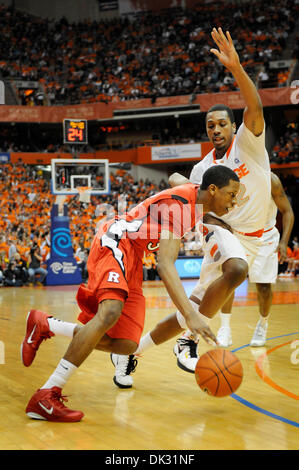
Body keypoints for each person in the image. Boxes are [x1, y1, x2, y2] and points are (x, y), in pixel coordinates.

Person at [105, 26, 272, 386]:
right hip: (224, 236)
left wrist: (236, 68)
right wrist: (181, 182)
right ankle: (189, 341)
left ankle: (129, 354)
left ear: (233, 126)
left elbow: (254, 106)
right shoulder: (204, 169)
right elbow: (178, 185)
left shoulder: (249, 144)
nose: (216, 129)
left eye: (222, 123)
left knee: (188, 313)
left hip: (258, 238)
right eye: (210, 125)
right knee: (238, 268)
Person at [22, 165, 241, 422]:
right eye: (231, 194)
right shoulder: (181, 207)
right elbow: (165, 265)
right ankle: (47, 393)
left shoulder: (196, 197)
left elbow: (173, 176)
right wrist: (190, 316)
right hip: (116, 241)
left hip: (134, 256)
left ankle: (46, 324)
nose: (234, 201)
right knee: (110, 312)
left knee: (127, 345)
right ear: (213, 190)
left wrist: (213, 216)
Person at [225, 172, 294, 347]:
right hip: (238, 235)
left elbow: (288, 212)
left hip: (265, 236)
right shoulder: (232, 175)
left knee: (263, 287)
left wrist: (284, 242)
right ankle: (224, 327)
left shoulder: (271, 179)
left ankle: (262, 324)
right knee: (228, 281)